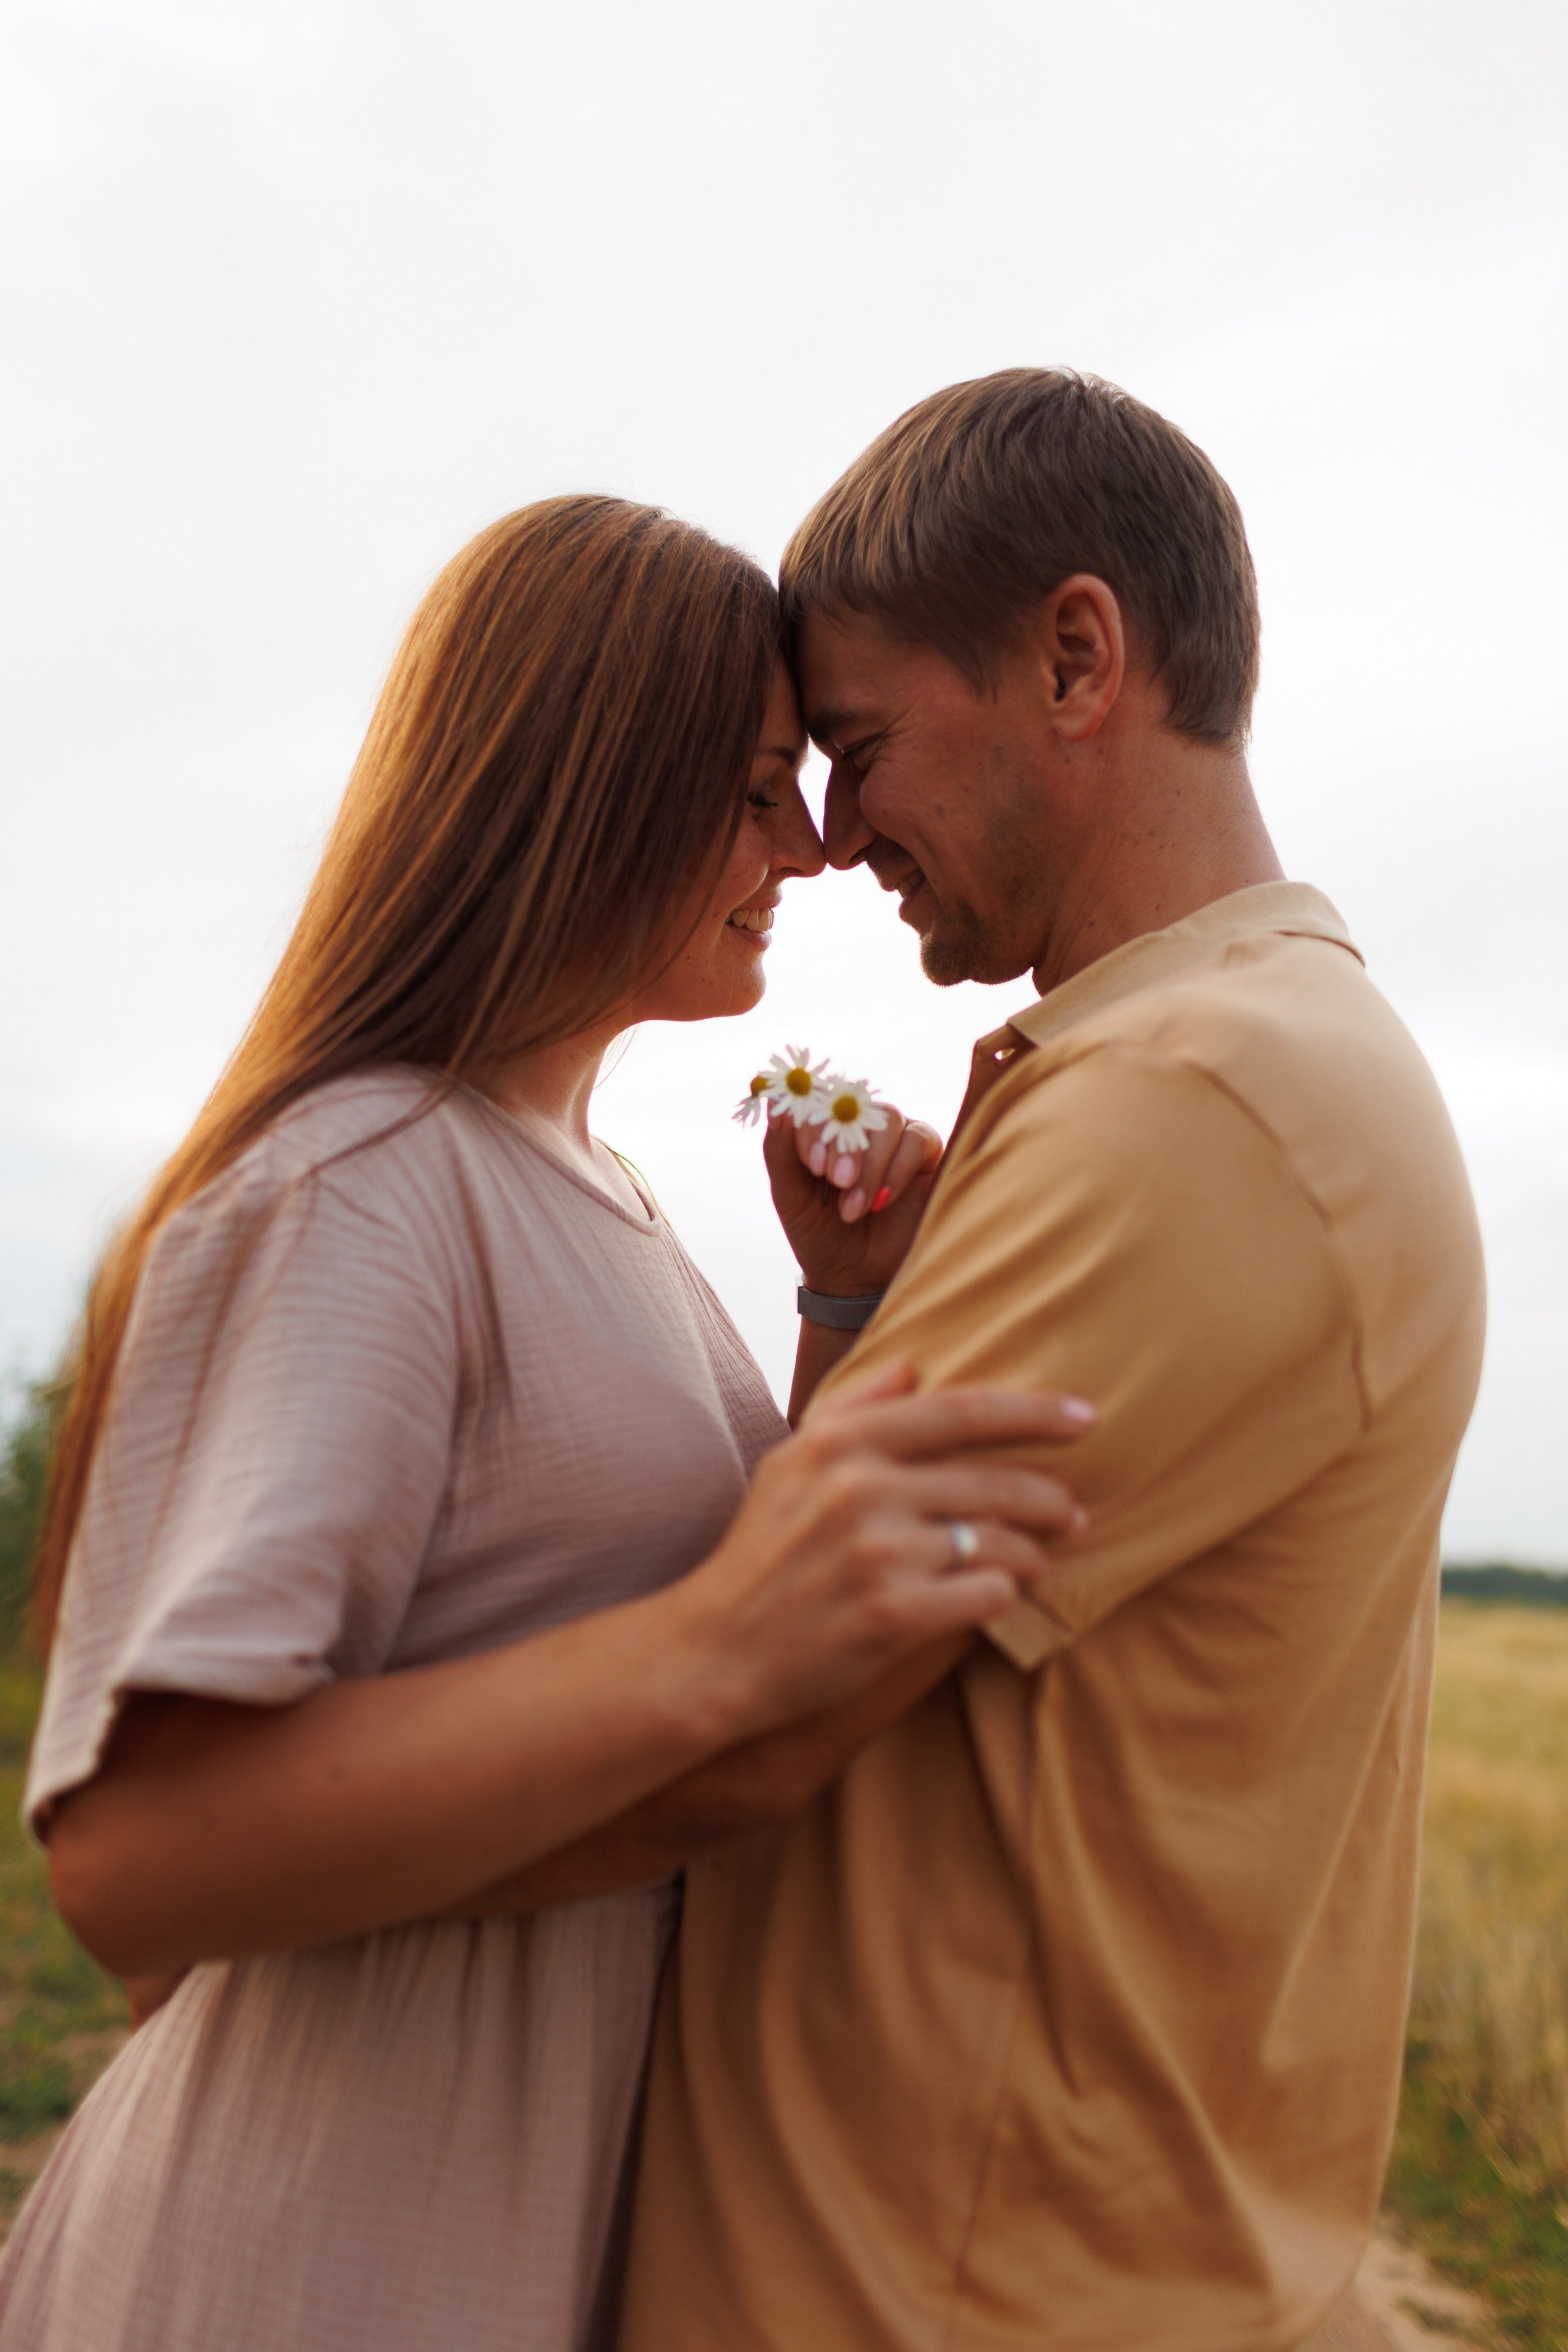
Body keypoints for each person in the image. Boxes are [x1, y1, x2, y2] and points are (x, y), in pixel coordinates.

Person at [0, 496, 1093, 2352]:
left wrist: (840, 1310)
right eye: (757, 787)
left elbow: (657, 1619)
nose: (812, 846)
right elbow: (137, 1856)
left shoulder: (593, 1186)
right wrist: (711, 1651)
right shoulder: (365, 1178)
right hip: (307, 2263)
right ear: (598, 786)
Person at [619, 371, 1487, 2352]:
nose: (832, 838)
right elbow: (898, 1644)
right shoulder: (1220, 1065)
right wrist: (854, 1313)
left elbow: (753, 1701)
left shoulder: (1203, 1096)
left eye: (858, 744)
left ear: (1077, 658)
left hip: (931, 2296)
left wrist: (258, 1851)